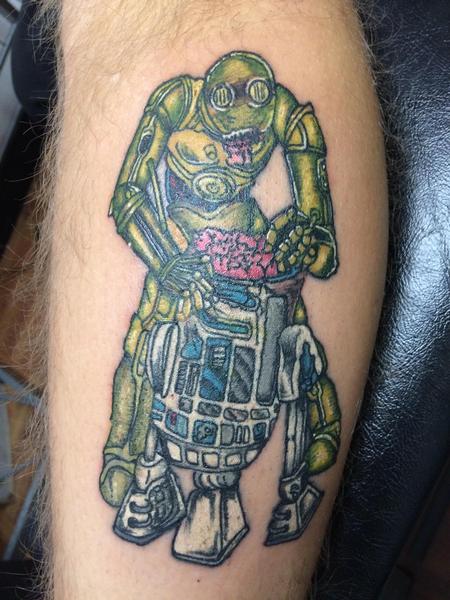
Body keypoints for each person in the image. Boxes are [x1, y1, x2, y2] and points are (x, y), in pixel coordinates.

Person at [47, 0, 387, 597]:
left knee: (290, 342)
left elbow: (325, 251)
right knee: (150, 342)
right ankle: (133, 462)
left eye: (251, 143)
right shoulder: (176, 100)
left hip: (245, 245)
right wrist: (166, 262)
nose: (240, 153)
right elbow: (128, 198)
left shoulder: (288, 115)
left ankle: (302, 461)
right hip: (178, 242)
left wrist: (301, 238)